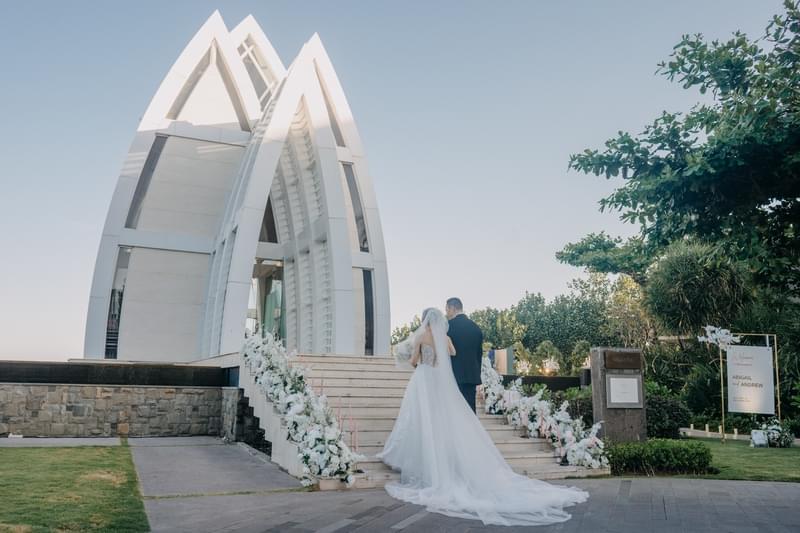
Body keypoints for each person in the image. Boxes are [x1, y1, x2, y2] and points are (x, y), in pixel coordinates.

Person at [378, 308, 588, 526]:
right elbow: (452, 353)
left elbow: (413, 361)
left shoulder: (421, 336)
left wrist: (418, 358)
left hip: (423, 379)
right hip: (438, 383)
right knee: (440, 421)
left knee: (421, 420)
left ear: (423, 321)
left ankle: (421, 462)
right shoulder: (445, 337)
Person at [445, 297, 483, 412]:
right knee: (470, 411)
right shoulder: (476, 328)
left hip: (453, 376)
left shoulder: (447, 326)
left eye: (446, 310)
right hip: (471, 377)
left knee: (454, 412)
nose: (446, 313)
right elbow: (478, 355)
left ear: (452, 308)